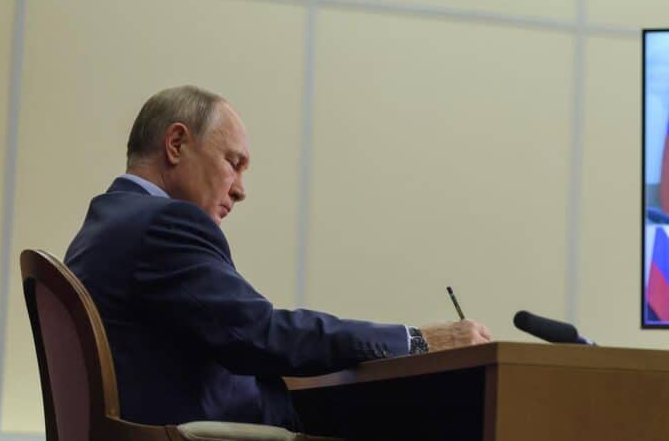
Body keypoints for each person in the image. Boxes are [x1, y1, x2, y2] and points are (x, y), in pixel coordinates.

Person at [64, 86, 492, 429]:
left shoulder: (104, 224)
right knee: (452, 408)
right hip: (205, 431)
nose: (240, 189)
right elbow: (258, 335)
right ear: (176, 144)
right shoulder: (165, 223)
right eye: (234, 163)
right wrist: (415, 340)